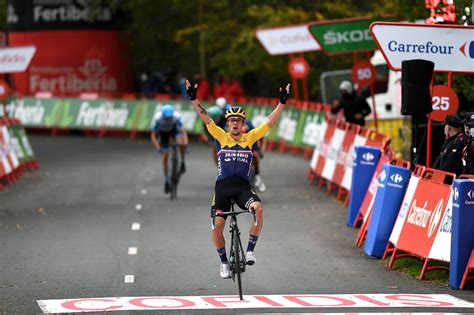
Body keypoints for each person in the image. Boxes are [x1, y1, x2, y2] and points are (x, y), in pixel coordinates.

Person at [186, 78, 290, 279]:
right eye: (232, 120)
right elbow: (206, 117)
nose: (235, 123)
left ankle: (250, 250)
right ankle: (224, 262)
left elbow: (270, 122)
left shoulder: (249, 138)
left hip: (243, 188)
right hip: (222, 189)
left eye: (238, 120)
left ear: (243, 124)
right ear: (227, 124)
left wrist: (282, 103)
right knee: (217, 227)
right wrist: (194, 99)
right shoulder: (220, 136)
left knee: (258, 210)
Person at [150, 104, 189, 194]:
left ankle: (182, 161)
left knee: (181, 142)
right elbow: (153, 136)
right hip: (163, 134)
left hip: (174, 131)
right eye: (166, 119)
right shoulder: (158, 119)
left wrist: (185, 144)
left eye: (169, 118)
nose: (168, 120)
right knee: (165, 157)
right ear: (163, 117)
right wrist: (158, 147)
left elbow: (183, 132)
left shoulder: (176, 117)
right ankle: (167, 179)